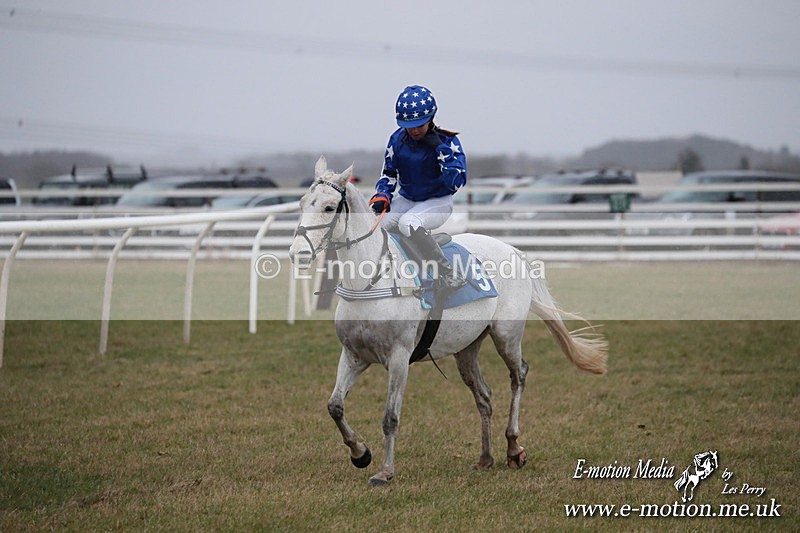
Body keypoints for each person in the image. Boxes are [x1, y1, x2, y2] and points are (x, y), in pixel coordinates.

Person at [369, 84, 467, 293]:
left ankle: (447, 274)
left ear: (431, 118)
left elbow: (456, 183)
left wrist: (441, 150)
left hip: (438, 201)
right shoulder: (396, 139)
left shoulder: (449, 142)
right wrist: (383, 194)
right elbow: (389, 173)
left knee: (409, 223)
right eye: (408, 125)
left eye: (419, 125)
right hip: (407, 199)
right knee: (377, 224)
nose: (413, 130)